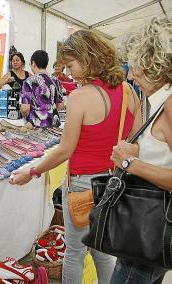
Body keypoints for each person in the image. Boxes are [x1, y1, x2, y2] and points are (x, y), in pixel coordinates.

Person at [9, 30, 142, 284]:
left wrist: (32, 171)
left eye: (71, 65)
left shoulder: (80, 97)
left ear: (87, 58)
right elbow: (135, 142)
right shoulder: (127, 91)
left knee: (75, 252)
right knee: (103, 250)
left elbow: (64, 150)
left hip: (82, 185)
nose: (69, 73)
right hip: (112, 182)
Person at [108, 17, 172, 284]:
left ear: (155, 64)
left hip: (150, 229)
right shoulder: (160, 101)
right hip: (150, 227)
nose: (130, 75)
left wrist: (130, 163)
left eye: (135, 67)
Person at [21, 50, 64, 127]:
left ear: (33, 63)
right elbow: (61, 106)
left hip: (35, 126)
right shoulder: (56, 80)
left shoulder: (28, 82)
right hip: (54, 124)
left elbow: (25, 109)